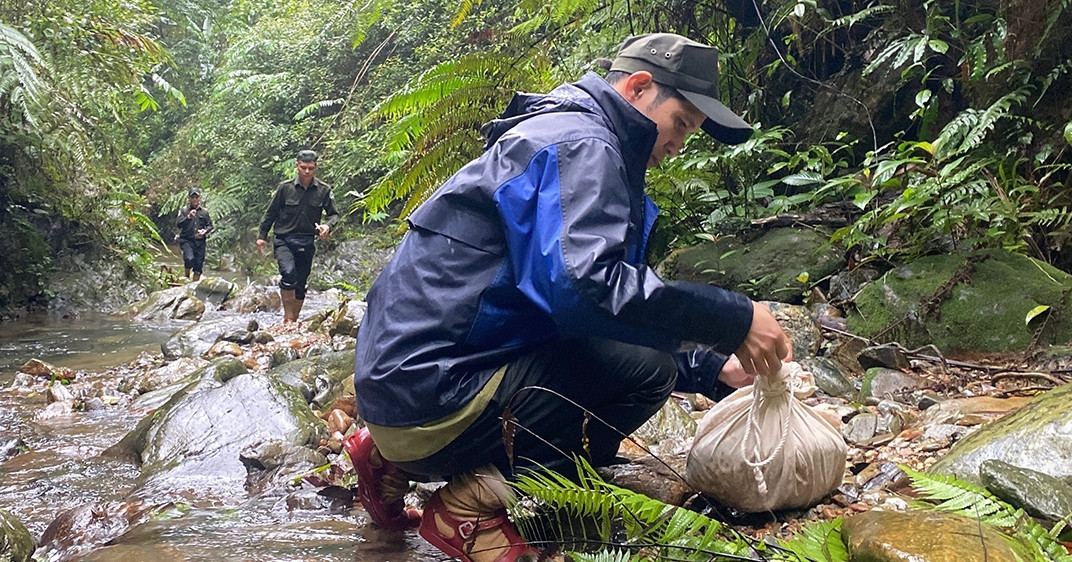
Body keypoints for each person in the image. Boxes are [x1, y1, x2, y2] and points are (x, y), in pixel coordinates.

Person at [350, 33, 791, 562]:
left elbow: (581, 313)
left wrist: (709, 368)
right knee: (647, 374)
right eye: (681, 124)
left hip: (399, 394)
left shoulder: (557, 134)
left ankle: (388, 459)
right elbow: (585, 292)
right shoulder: (582, 146)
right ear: (639, 87)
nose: (679, 145)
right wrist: (733, 318)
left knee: (637, 364)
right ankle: (470, 508)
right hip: (432, 400)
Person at [256, 149, 339, 323]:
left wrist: (327, 226)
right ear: (297, 166)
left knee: (301, 283)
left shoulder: (323, 190)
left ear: (315, 167)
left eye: (311, 168)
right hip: (284, 239)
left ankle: (294, 320)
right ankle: (288, 319)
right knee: (288, 274)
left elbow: (334, 214)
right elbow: (271, 213)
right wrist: (262, 236)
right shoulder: (285, 188)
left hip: (307, 240)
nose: (307, 171)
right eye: (303, 168)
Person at [176, 188, 213, 281]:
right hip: (187, 240)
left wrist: (205, 231)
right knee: (189, 259)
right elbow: (179, 224)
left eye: (196, 197)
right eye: (192, 197)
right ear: (189, 198)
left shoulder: (204, 212)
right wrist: (188, 217)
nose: (194, 199)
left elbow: (210, 226)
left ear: (200, 198)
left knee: (198, 266)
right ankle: (186, 277)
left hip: (200, 242)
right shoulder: (184, 210)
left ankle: (194, 284)